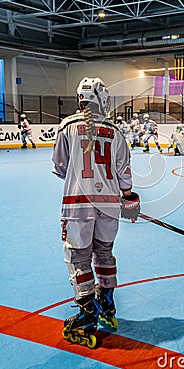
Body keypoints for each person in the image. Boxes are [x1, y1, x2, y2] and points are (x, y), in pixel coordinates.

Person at [52, 77, 140, 347]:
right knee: (104, 253)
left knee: (79, 258)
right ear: (103, 100)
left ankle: (88, 313)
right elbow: (125, 175)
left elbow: (59, 167)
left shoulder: (67, 127)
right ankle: (107, 302)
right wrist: (128, 198)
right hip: (109, 206)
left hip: (77, 204)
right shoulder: (116, 131)